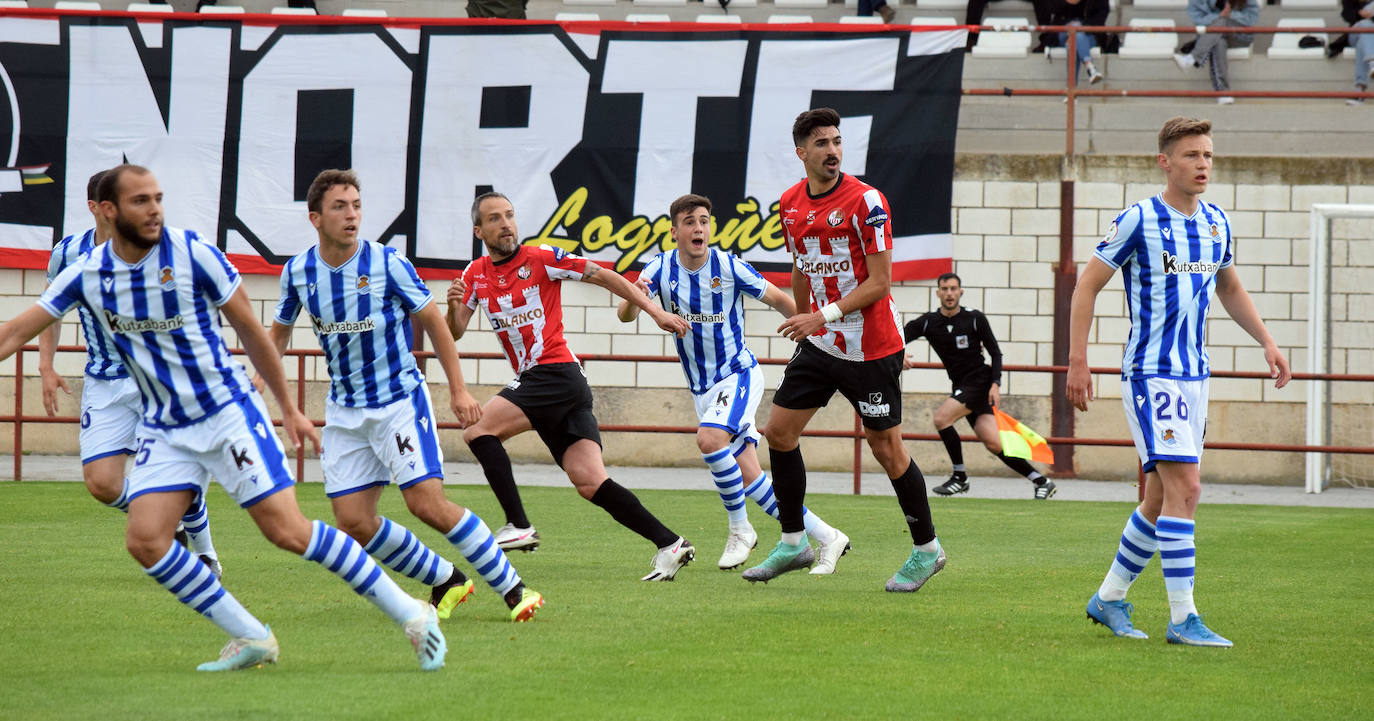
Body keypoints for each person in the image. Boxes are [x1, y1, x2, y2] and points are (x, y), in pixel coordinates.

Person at [0, 164, 448, 672]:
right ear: (108, 210)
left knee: (289, 532)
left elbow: (256, 334)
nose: (154, 210)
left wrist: (289, 408)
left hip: (227, 414)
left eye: (158, 198)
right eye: (140, 201)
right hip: (166, 427)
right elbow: (16, 330)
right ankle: (252, 636)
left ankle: (413, 614)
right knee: (146, 540)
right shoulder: (85, 272)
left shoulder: (192, 254)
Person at [265, 170, 543, 623]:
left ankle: (514, 588)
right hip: (346, 410)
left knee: (425, 502)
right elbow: (276, 336)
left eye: (356, 204)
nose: (352, 214)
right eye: (340, 206)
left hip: (398, 401)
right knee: (353, 520)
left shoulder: (387, 262)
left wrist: (457, 389)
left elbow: (436, 323)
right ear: (315, 217)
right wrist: (258, 382)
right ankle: (446, 579)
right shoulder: (298, 272)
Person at [1067, 118, 1290, 647]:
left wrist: (1267, 339)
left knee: (1158, 497)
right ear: (1165, 162)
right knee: (1187, 489)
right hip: (1151, 373)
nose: (1203, 164)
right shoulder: (1138, 219)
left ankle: (1109, 598)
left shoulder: (1217, 223)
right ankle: (1183, 618)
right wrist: (1078, 360)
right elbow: (1087, 285)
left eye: (1208, 155)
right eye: (1192, 155)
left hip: (1196, 376)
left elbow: (1229, 288)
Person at [743, 108, 946, 593]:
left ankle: (927, 550)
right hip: (822, 343)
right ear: (801, 152)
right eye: (821, 144)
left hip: (872, 346)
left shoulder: (867, 201)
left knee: (886, 449)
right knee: (778, 431)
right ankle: (795, 542)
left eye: (837, 141)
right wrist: (804, 316)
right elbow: (800, 265)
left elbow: (880, 283)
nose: (832, 150)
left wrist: (822, 315)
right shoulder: (790, 203)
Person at [447, 192, 698, 582]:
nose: (506, 224)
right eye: (494, 219)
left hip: (555, 373)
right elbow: (456, 331)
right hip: (555, 385)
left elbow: (607, 277)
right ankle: (670, 543)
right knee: (590, 482)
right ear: (479, 230)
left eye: (510, 215)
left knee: (478, 429)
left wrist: (656, 312)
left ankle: (518, 524)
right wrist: (452, 307)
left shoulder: (543, 257)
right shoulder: (474, 274)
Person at [615, 194, 847, 572]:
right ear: (675, 231)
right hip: (702, 389)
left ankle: (740, 530)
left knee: (709, 440)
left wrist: (817, 331)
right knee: (750, 476)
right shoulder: (658, 268)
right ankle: (826, 536)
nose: (698, 228)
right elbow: (625, 314)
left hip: (737, 374)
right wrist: (635, 300)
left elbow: (777, 299)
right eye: (690, 222)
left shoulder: (729, 265)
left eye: (704, 221)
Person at [39, 169, 222, 576]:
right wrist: (46, 365)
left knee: (171, 471)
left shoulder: (162, 250)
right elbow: (49, 312)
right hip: (103, 381)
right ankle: (162, 519)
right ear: (99, 208)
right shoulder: (68, 254)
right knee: (102, 484)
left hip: (156, 382)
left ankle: (207, 555)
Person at [903, 272, 1056, 500]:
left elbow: (995, 352)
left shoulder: (974, 318)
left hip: (980, 382)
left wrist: (995, 383)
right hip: (962, 386)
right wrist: (899, 355)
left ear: (960, 292)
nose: (949, 294)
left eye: (953, 289)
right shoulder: (928, 322)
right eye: (945, 289)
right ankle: (1041, 481)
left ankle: (960, 477)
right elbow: (898, 337)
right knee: (994, 442)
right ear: (938, 293)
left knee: (941, 419)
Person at [1173, 0, 1258, 105]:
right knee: (1218, 42)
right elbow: (1197, 19)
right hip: (1214, 36)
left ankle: (1193, 57)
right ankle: (1224, 93)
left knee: (1221, 23)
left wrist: (1230, 14)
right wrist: (1219, 16)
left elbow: (1251, 19)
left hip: (1240, 35)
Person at [1047, 0, 1109, 85]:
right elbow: (1051, 8)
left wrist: (1082, 26)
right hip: (1063, 32)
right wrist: (1067, 2)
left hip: (1089, 35)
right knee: (1075, 31)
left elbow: (1099, 20)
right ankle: (1090, 67)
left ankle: (1071, 92)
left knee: (1074, 40)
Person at [1337, 0, 1374, 105]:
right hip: (1356, 31)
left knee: (1362, 42)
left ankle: (1359, 90)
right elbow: (1346, 15)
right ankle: (1372, 61)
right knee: (1365, 25)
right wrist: (1359, 13)